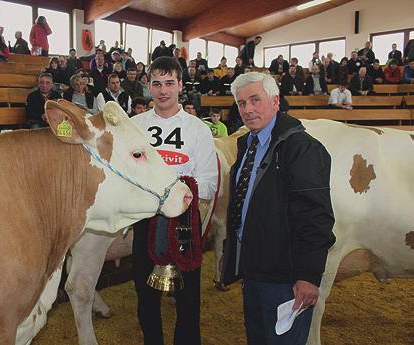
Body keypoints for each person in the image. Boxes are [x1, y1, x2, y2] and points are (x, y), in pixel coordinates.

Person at [221, 71, 335, 345]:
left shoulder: (302, 148)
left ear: (275, 101)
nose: (247, 109)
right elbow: (243, 206)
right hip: (254, 272)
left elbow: (316, 218)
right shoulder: (247, 144)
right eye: (241, 103)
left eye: (255, 100)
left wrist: (308, 277)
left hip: (286, 280)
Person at [131, 56, 217, 345]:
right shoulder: (134, 126)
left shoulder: (198, 129)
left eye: (169, 83)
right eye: (157, 83)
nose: (163, 90)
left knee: (189, 297)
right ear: (149, 86)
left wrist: (178, 192)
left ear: (181, 84)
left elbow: (209, 182)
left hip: (184, 221)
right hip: (146, 220)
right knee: (145, 295)